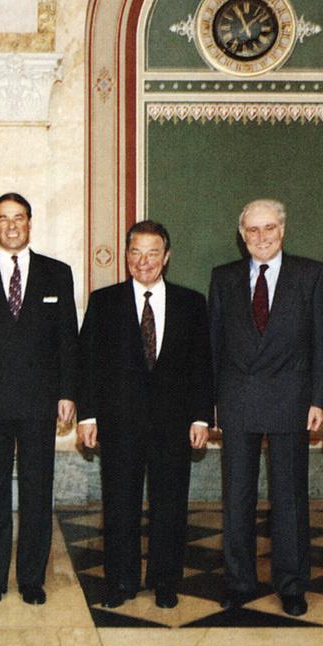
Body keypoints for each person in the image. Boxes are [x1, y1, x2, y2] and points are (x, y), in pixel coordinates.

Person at [0, 192, 78, 606]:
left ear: (29, 223)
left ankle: (31, 578)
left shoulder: (57, 273)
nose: (11, 226)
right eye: (3, 219)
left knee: (38, 492)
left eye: (18, 218)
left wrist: (67, 393)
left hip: (41, 403)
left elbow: (67, 341)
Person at [77, 220, 213, 609]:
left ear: (166, 257)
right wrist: (88, 416)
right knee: (120, 505)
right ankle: (120, 581)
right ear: (126, 255)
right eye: (136, 252)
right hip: (119, 423)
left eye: (153, 253)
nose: (144, 261)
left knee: (171, 505)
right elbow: (88, 363)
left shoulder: (191, 303)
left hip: (174, 425)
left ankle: (165, 580)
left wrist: (201, 418)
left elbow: (203, 365)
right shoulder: (104, 302)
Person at [209, 198, 323, 617]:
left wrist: (319, 399)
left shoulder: (311, 274)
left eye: (269, 228)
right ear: (242, 237)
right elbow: (214, 345)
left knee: (290, 496)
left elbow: (320, 343)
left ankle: (291, 584)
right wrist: (213, 404)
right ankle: (239, 581)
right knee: (237, 496)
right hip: (238, 399)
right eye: (253, 231)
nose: (261, 237)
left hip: (290, 398)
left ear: (283, 230)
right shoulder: (223, 277)